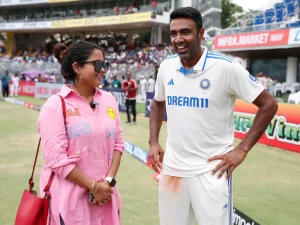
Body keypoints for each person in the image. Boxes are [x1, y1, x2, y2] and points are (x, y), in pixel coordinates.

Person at [149, 7, 278, 225]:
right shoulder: (167, 67)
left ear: (200, 34)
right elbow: (157, 101)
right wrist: (153, 141)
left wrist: (241, 149)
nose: (178, 39)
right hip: (172, 168)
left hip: (211, 170)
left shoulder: (227, 68)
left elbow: (269, 105)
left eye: (185, 32)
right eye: (173, 33)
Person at [37, 41, 124, 225]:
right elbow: (57, 161)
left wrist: (106, 183)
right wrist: (93, 187)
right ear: (77, 67)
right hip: (71, 205)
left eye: (105, 65)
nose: (103, 70)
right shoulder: (54, 106)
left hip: (106, 197)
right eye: (98, 65)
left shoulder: (109, 100)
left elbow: (118, 144)